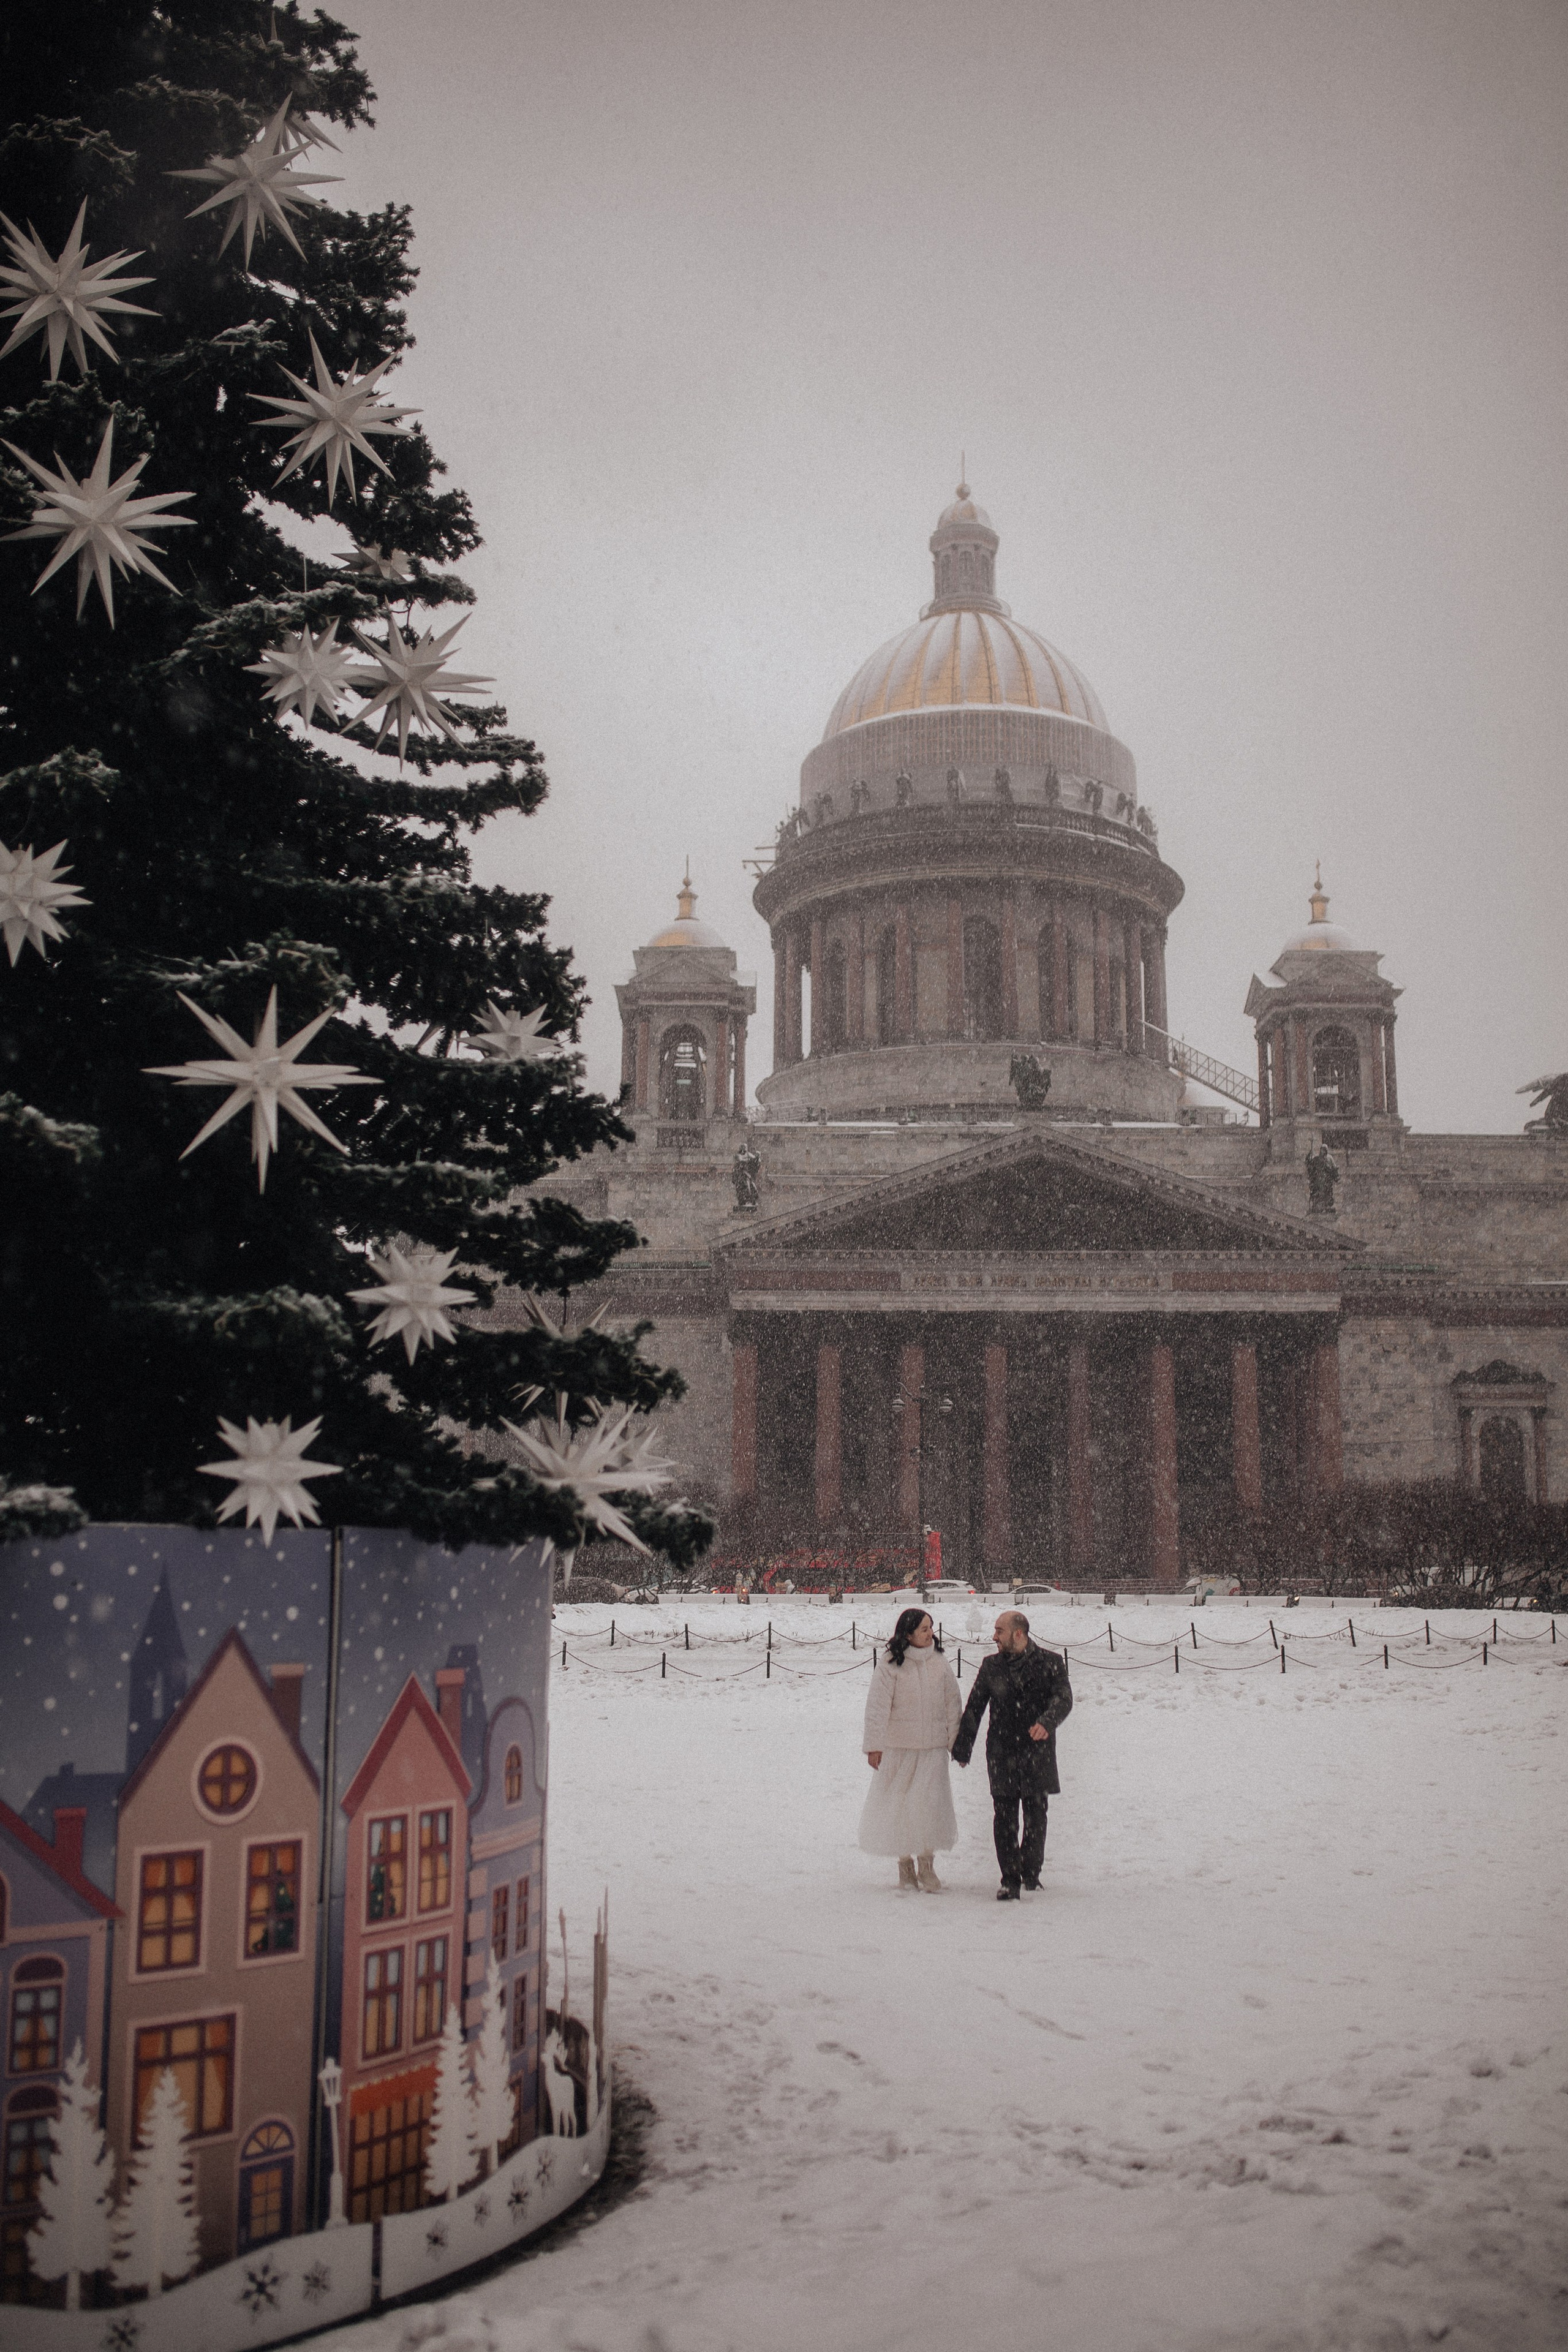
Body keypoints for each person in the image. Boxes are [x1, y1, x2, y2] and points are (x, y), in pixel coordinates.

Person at [952, 1610, 1072, 1901]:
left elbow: (1064, 1698)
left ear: (1018, 1634)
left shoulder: (1051, 1663)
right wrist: (963, 1748)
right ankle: (1010, 1879)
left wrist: (1047, 1722)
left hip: (1037, 1751)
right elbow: (975, 1708)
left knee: (1036, 1815)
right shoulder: (991, 1666)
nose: (994, 1637)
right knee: (1004, 1817)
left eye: (999, 1631)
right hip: (1002, 1751)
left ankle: (1031, 1872)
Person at [859, 1607, 963, 1891]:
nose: (931, 1634)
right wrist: (874, 1746)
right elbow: (877, 1707)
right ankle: (905, 1866)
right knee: (902, 1806)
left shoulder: (940, 1663)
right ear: (908, 1634)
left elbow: (953, 1705)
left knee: (929, 1805)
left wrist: (957, 1744)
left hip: (932, 1749)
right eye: (924, 1630)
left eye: (931, 1628)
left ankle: (927, 1866)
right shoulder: (890, 1664)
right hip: (900, 1749)